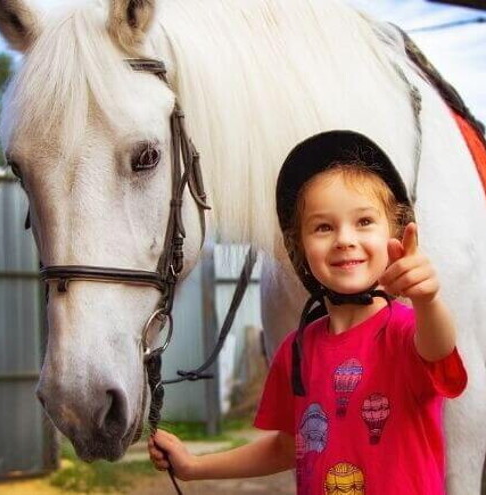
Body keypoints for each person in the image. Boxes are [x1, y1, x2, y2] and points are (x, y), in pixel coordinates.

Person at [149, 130, 468, 494]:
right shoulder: (295, 350)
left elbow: (438, 347)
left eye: (364, 221)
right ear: (299, 247)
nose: (344, 239)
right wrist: (194, 467)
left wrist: (428, 300)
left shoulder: (408, 332)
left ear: (395, 234)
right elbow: (289, 446)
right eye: (323, 227)